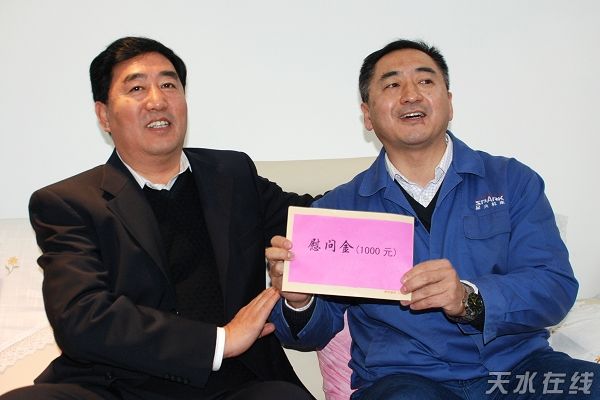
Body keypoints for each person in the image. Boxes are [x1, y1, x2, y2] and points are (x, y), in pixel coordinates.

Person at [267, 39, 599, 399]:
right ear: (367, 115)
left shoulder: (511, 181)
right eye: (392, 85)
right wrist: (299, 301)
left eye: (425, 81)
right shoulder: (338, 210)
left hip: (517, 372)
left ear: (449, 103)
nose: (411, 95)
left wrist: (469, 298)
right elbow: (312, 334)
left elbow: (554, 286)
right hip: (404, 379)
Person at [1, 37, 315, 400]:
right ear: (104, 115)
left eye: (169, 85)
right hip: (114, 386)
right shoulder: (69, 203)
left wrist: (379, 191)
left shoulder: (232, 175)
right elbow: (81, 317)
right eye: (136, 88)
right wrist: (220, 341)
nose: (157, 100)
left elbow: (315, 220)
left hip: (234, 385)